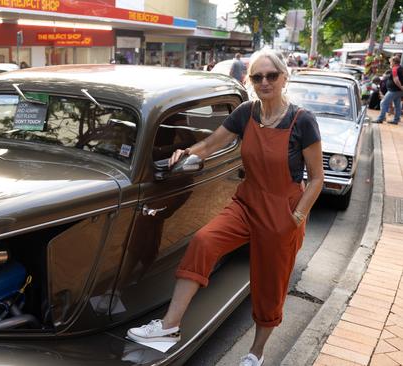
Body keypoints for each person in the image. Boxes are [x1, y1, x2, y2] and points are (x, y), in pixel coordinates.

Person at [127, 49, 324, 366]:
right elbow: (210, 144)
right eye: (257, 77)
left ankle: (255, 354)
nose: (264, 82)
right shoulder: (247, 113)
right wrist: (186, 152)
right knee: (204, 241)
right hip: (246, 202)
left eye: (271, 75)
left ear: (284, 77)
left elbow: (317, 179)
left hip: (283, 213)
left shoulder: (303, 121)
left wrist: (297, 217)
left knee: (269, 286)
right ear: (250, 81)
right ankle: (169, 325)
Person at [375, 55, 403, 124]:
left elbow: (396, 80)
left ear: (394, 62)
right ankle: (396, 120)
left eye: (391, 62)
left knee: (383, 102)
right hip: (398, 91)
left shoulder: (394, 69)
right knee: (397, 105)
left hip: (394, 90)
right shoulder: (401, 68)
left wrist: (401, 87)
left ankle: (381, 118)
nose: (390, 63)